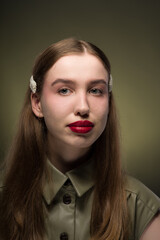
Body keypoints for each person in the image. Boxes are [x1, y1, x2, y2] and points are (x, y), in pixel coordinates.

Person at [0, 38, 159, 240]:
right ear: (37, 103)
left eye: (95, 90)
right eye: (64, 90)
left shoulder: (141, 207)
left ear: (109, 102)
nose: (83, 107)